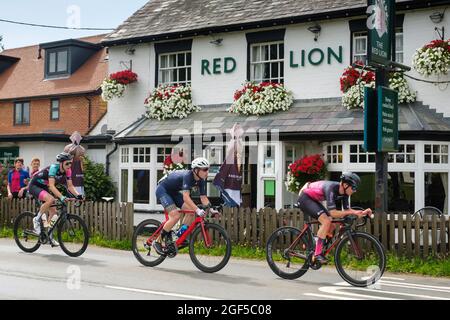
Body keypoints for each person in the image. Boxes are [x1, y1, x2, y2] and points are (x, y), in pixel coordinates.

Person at [297, 172, 372, 264]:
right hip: (305, 198)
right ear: (345, 185)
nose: (355, 191)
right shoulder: (331, 188)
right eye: (354, 188)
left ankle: (317, 244)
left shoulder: (345, 193)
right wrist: (352, 212)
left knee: (332, 225)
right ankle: (317, 254)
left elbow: (347, 210)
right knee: (326, 221)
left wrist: (361, 212)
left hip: (313, 199)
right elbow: (333, 213)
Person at [152, 157, 219, 255]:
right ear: (196, 170)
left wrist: (212, 209)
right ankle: (157, 242)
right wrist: (197, 210)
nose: (207, 172)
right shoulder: (188, 176)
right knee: (175, 216)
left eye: (208, 169)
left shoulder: (202, 180)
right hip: (163, 190)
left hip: (173, 192)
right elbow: (186, 198)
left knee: (191, 213)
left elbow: (203, 197)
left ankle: (179, 236)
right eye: (204, 169)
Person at [28, 152, 83, 246]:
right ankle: (36, 219)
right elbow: (52, 186)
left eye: (70, 163)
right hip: (35, 185)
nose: (69, 165)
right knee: (51, 200)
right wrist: (62, 197)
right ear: (61, 163)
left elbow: (70, 186)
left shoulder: (68, 170)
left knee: (53, 212)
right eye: (67, 163)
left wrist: (78, 195)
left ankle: (49, 236)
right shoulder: (53, 168)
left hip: (44, 186)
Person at [64, 132, 86, 196]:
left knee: (79, 196)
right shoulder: (69, 151)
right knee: (72, 196)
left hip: (79, 180)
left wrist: (82, 161)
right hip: (71, 180)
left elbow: (83, 170)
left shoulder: (80, 158)